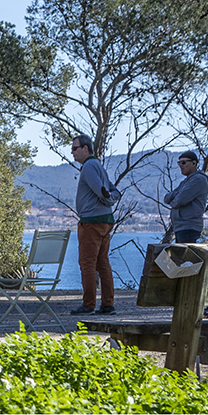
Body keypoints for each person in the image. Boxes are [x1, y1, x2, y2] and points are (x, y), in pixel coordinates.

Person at [69, 134, 117, 315]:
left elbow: (103, 192)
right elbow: (114, 190)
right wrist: (111, 200)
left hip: (91, 221)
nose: (72, 152)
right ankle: (108, 304)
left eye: (75, 148)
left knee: (87, 263)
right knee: (103, 262)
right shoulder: (98, 166)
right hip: (106, 220)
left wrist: (108, 200)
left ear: (85, 149)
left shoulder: (88, 167)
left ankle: (88, 304)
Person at [165, 150, 208, 244]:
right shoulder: (185, 182)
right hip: (181, 227)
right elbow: (167, 198)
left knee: (185, 257)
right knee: (180, 257)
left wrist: (175, 202)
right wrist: (179, 196)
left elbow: (179, 201)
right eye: (179, 163)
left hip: (189, 227)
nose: (181, 165)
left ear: (194, 163)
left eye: (184, 162)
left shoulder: (198, 179)